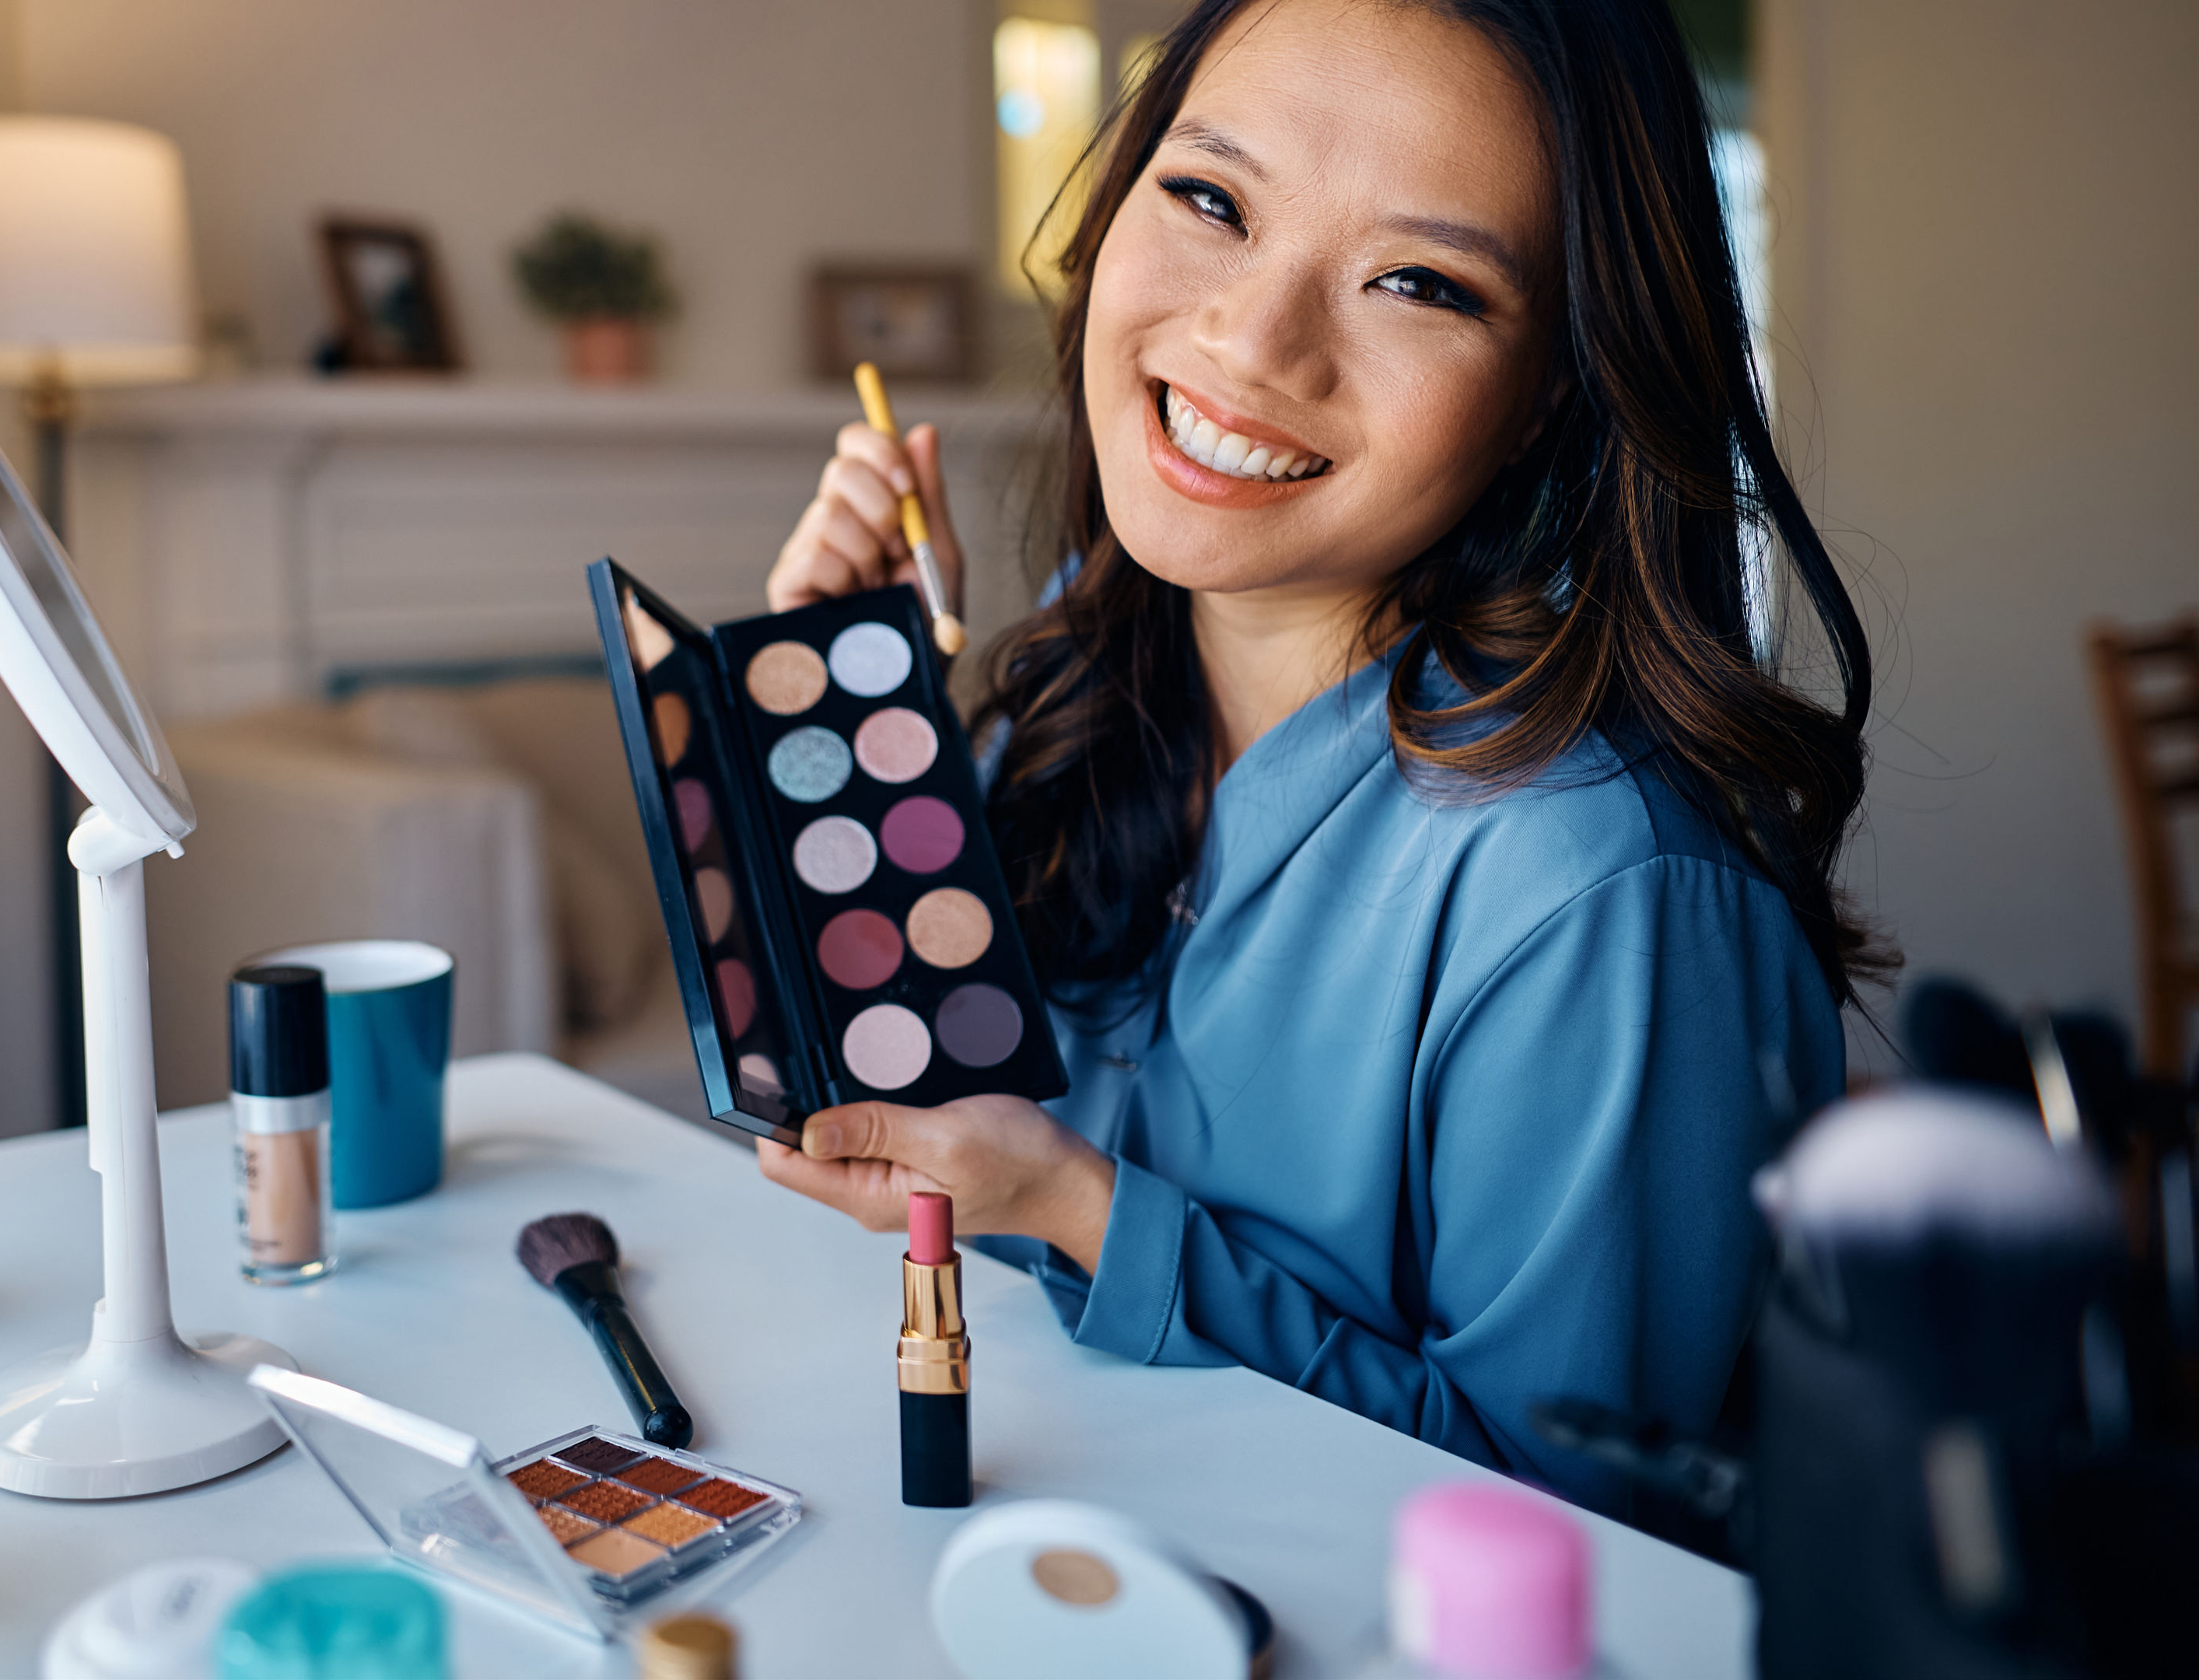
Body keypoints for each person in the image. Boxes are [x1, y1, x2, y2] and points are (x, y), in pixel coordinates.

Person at [760, 0, 1875, 1515]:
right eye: (1211, 199)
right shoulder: (1086, 685)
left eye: (1417, 281)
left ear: (1555, 383)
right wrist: (848, 720)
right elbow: (918, 1125)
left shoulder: (1600, 895)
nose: (1253, 339)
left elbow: (1578, 1533)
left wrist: (1096, 1219)